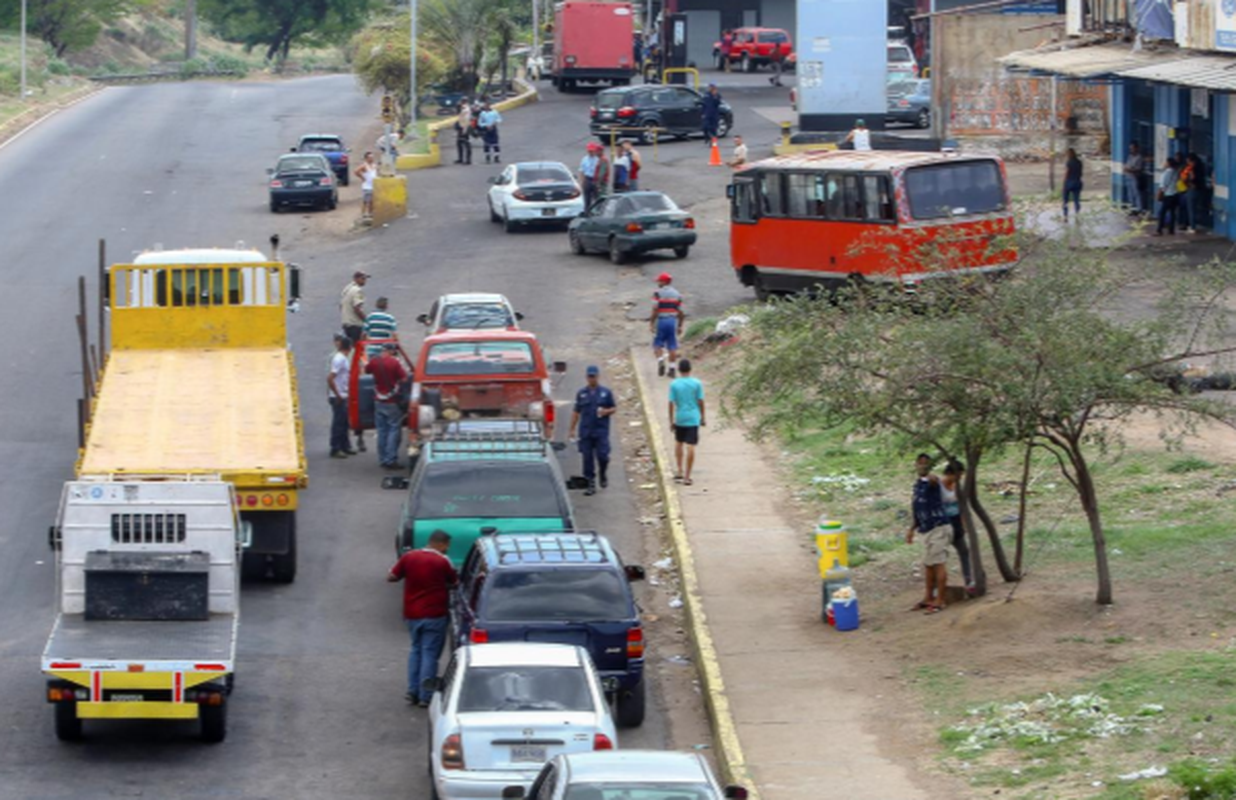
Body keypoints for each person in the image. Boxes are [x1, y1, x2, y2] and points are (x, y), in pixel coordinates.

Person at [387, 530, 458, 706]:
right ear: (440, 544)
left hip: (412, 613)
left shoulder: (409, 557)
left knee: (416, 650)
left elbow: (392, 577)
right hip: (434, 613)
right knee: (430, 653)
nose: (447, 549)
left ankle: (412, 691)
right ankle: (426, 695)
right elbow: (455, 582)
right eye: (447, 545)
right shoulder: (443, 561)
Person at [904, 453, 949, 613]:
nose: (922, 466)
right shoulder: (917, 485)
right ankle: (929, 597)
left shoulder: (932, 482)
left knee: (938, 563)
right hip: (926, 528)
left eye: (925, 463)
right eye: (919, 463)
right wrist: (912, 529)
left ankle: (940, 600)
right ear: (915, 464)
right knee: (929, 565)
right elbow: (917, 509)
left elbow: (934, 480)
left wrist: (931, 478)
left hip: (938, 527)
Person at [568, 365, 617, 496]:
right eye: (589, 376)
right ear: (586, 377)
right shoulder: (581, 393)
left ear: (598, 376)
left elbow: (613, 408)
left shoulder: (605, 393)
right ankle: (590, 483)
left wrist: (605, 411)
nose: (591, 379)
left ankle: (603, 472)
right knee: (587, 458)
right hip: (586, 431)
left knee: (603, 456)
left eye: (593, 376)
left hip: (601, 431)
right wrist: (572, 429)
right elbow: (576, 412)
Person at [366, 343, 409, 469]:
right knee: (393, 430)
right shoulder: (394, 363)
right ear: (392, 351)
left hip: (378, 400)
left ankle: (382, 458)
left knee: (382, 431)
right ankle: (391, 459)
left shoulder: (374, 361)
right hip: (392, 401)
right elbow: (404, 379)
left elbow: (367, 370)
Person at [668, 359, 705, 486]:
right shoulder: (697, 383)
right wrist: (703, 417)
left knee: (678, 443)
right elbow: (700, 401)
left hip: (680, 417)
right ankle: (687, 476)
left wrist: (671, 420)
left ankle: (679, 470)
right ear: (690, 369)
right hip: (693, 417)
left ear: (679, 370)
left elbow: (671, 403)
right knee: (691, 446)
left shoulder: (674, 384)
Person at [940, 461, 974, 595]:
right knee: (941, 554)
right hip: (943, 523)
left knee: (964, 551)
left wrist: (963, 523)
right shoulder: (938, 487)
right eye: (957, 475)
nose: (959, 478)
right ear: (949, 473)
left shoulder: (956, 487)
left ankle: (968, 579)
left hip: (956, 522)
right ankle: (939, 585)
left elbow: (961, 506)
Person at [649, 272, 685, 378]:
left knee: (657, 344)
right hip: (672, 321)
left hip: (661, 321)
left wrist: (651, 323)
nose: (658, 283)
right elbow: (680, 312)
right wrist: (680, 326)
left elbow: (655, 309)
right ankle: (672, 369)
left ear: (664, 282)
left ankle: (660, 361)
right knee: (672, 346)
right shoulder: (677, 294)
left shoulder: (657, 293)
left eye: (659, 281)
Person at [327, 335, 354, 459]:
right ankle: (336, 448)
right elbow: (330, 378)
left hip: (343, 394)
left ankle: (344, 446)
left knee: (344, 422)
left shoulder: (343, 358)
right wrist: (337, 395)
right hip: (339, 395)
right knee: (338, 423)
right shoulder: (340, 359)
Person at [340, 271, 368, 344]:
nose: (365, 281)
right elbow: (357, 308)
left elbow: (341, 306)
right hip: (355, 325)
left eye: (365, 278)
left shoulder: (346, 289)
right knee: (357, 348)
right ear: (356, 279)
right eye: (363, 278)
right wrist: (367, 320)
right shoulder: (357, 290)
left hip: (346, 324)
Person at [579, 142, 609, 209]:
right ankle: (587, 212)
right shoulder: (584, 159)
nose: (590, 152)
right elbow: (582, 171)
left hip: (596, 180)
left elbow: (602, 172)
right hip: (588, 179)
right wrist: (582, 182)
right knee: (587, 199)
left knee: (597, 198)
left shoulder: (598, 159)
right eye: (589, 151)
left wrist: (598, 182)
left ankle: (597, 211)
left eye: (592, 151)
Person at [1156, 156, 1181, 236]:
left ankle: (1159, 229)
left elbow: (1163, 185)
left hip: (1168, 194)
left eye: (1166, 162)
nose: (1164, 164)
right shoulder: (1176, 172)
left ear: (1169, 163)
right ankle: (1171, 229)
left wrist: (1159, 194)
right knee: (1173, 212)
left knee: (1162, 212)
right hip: (1175, 194)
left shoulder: (1166, 173)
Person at [1184, 152, 1208, 233]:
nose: (1187, 163)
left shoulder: (1192, 168)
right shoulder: (1201, 167)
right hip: (1201, 189)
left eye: (1188, 161)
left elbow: (1192, 178)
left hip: (1193, 190)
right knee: (1198, 207)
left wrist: (1188, 182)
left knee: (1191, 209)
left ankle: (1192, 226)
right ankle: (1198, 224)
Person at [355, 151, 378, 218]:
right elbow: (356, 171)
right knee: (365, 201)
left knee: (372, 201)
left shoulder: (374, 165)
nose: (371, 159)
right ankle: (363, 213)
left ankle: (370, 213)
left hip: (373, 185)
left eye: (372, 157)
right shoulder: (364, 166)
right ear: (366, 158)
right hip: (367, 186)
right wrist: (362, 178)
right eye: (370, 157)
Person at [1123, 142, 1144, 215]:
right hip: (1128, 177)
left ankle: (1139, 209)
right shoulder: (1130, 156)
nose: (1131, 150)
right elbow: (1127, 165)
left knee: (1137, 194)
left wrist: (1130, 170)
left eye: (1132, 148)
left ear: (1136, 148)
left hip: (1135, 177)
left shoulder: (1139, 157)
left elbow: (1139, 169)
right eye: (1130, 149)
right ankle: (1132, 209)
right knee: (1130, 194)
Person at [1062, 147, 1082, 222]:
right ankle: (1077, 215)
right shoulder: (1079, 162)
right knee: (1076, 200)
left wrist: (1064, 183)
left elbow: (1067, 172)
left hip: (1069, 182)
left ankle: (1065, 216)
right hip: (1078, 182)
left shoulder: (1069, 162)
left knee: (1065, 200)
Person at [454, 100, 473, 165]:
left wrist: (464, 130)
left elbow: (467, 121)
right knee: (459, 143)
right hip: (461, 128)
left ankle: (468, 160)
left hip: (465, 128)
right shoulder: (462, 111)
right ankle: (461, 159)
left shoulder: (465, 111)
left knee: (466, 144)